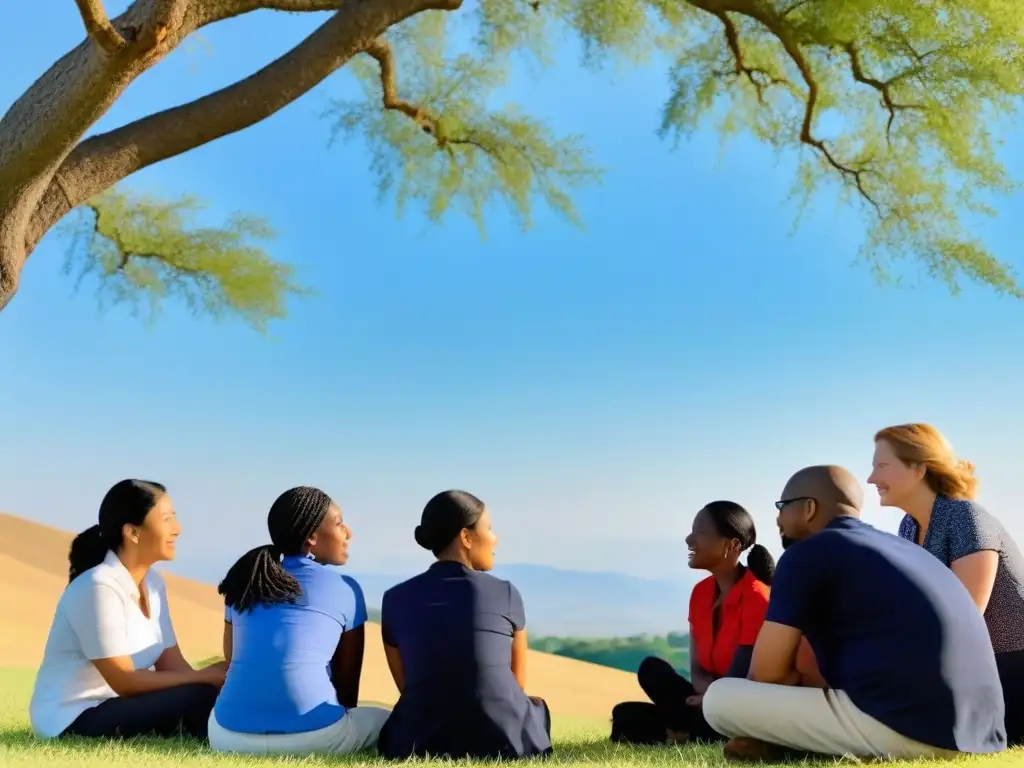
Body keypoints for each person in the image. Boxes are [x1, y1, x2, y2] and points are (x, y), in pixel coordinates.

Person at [701, 465, 1006, 762]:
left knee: (719, 698)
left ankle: (779, 743)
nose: (778, 517)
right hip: (982, 734)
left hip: (912, 730)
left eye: (783, 506)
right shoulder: (903, 550)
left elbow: (765, 675)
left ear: (809, 508)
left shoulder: (806, 553)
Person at [29, 480, 224, 740]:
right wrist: (205, 679)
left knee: (220, 686)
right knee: (202, 694)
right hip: (75, 716)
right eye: (166, 519)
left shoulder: (153, 584)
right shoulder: (98, 585)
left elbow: (173, 666)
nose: (177, 529)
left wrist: (220, 674)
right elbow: (125, 681)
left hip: (122, 705)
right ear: (132, 532)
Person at [869, 422, 1024, 745]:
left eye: (882, 465)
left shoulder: (965, 517)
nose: (871, 478)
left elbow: (964, 622)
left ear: (919, 469)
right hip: (972, 669)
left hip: (1009, 668)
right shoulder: (908, 527)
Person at [209, 486, 388, 755]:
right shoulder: (346, 588)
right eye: (339, 523)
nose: (347, 532)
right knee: (388, 720)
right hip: (315, 737)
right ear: (312, 537)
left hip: (228, 737)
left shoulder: (245, 582)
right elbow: (347, 690)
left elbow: (233, 660)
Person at [376, 490, 552, 760]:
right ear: (466, 537)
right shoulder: (506, 592)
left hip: (416, 741)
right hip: (504, 741)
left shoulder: (394, 599)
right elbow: (517, 686)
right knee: (538, 706)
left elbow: (409, 686)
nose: (495, 538)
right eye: (489, 528)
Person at [611, 501, 774, 745]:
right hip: (705, 698)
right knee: (645, 679)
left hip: (738, 704)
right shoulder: (700, 593)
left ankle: (683, 734)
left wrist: (712, 700)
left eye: (700, 532)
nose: (689, 539)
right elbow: (697, 668)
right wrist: (705, 695)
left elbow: (744, 677)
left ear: (733, 545)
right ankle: (686, 733)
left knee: (707, 725)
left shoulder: (757, 596)